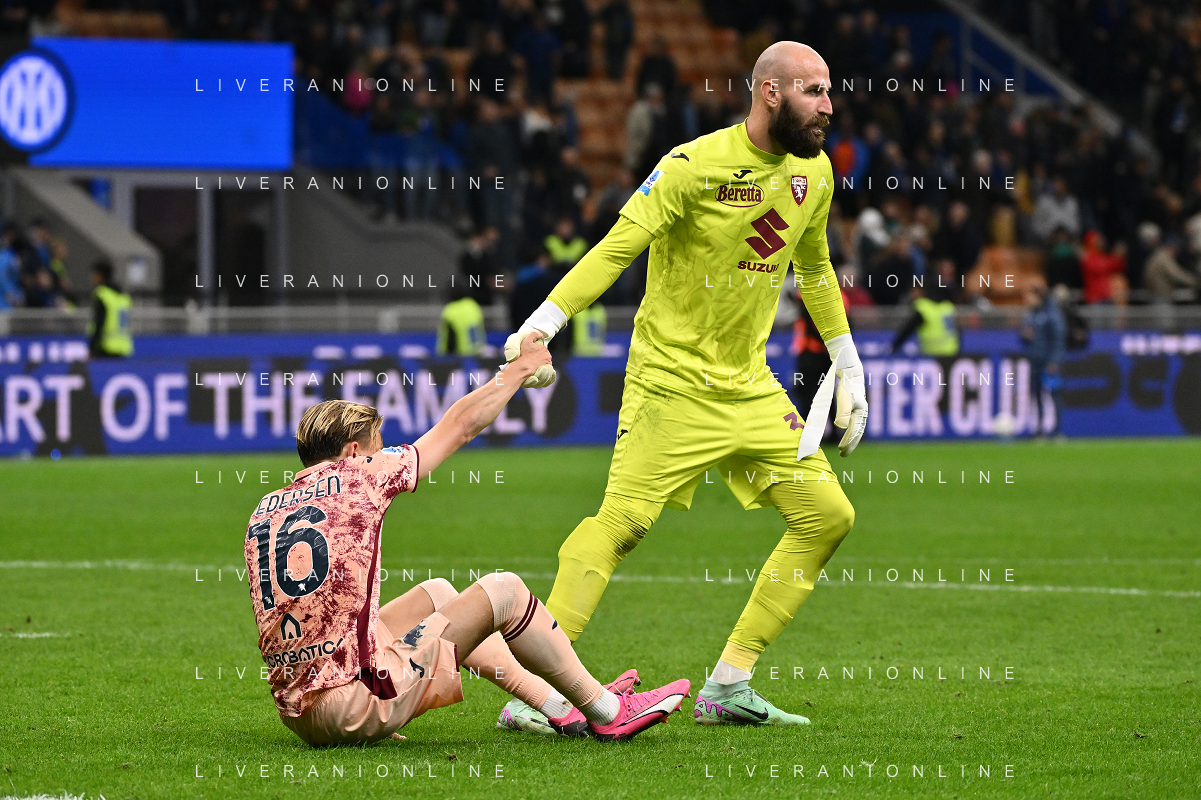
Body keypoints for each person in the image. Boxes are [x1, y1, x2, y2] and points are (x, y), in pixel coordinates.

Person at [499, 41, 865, 730]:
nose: (828, 105)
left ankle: (729, 684)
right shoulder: (692, 165)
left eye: (828, 90)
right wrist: (543, 323)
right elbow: (617, 247)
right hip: (669, 381)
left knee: (827, 516)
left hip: (750, 386)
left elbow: (814, 268)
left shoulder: (813, 174)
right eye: (813, 90)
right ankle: (533, 692)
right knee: (621, 524)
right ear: (769, 92)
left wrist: (847, 361)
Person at [244, 340, 690, 747]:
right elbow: (459, 425)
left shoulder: (265, 510)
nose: (384, 455)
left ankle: (558, 706)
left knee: (438, 594)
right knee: (505, 591)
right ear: (353, 453)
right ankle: (608, 711)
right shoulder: (361, 475)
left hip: (301, 714)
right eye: (378, 448)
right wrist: (518, 370)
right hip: (353, 704)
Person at [1021, 283, 1067, 438]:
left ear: (1038, 297)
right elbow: (1025, 337)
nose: (1026, 300)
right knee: (1037, 395)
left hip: (1048, 362)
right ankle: (1039, 428)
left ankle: (1057, 430)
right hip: (1035, 361)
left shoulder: (1052, 314)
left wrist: (1054, 361)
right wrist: (1025, 336)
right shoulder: (1031, 315)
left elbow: (1058, 340)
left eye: (1029, 296)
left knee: (1054, 394)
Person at [891, 283, 959, 356]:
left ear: (922, 291)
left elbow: (908, 329)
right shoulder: (946, 305)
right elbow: (957, 330)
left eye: (913, 291)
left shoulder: (923, 307)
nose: (911, 295)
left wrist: (894, 346)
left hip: (933, 352)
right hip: (952, 350)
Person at [88, 261, 133, 358]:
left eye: (94, 275)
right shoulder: (123, 296)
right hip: (123, 347)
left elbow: (99, 322)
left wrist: (91, 346)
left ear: (100, 275)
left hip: (105, 347)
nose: (92, 278)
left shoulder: (102, 294)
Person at [435, 286, 486, 356]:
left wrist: (448, 354)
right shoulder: (473, 305)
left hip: (460, 354)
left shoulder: (451, 309)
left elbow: (450, 335)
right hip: (478, 352)